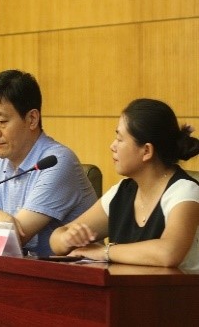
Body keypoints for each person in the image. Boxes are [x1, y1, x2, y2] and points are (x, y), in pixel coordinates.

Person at [0, 69, 97, 257]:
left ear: (32, 119)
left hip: (69, 271)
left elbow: (11, 240)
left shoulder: (57, 162)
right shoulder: (3, 163)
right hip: (20, 267)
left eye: (2, 121)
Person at [50, 99, 199, 269]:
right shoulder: (121, 191)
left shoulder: (184, 191)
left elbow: (169, 253)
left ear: (146, 151)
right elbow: (57, 238)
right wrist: (67, 239)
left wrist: (104, 252)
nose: (112, 146)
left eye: (120, 139)